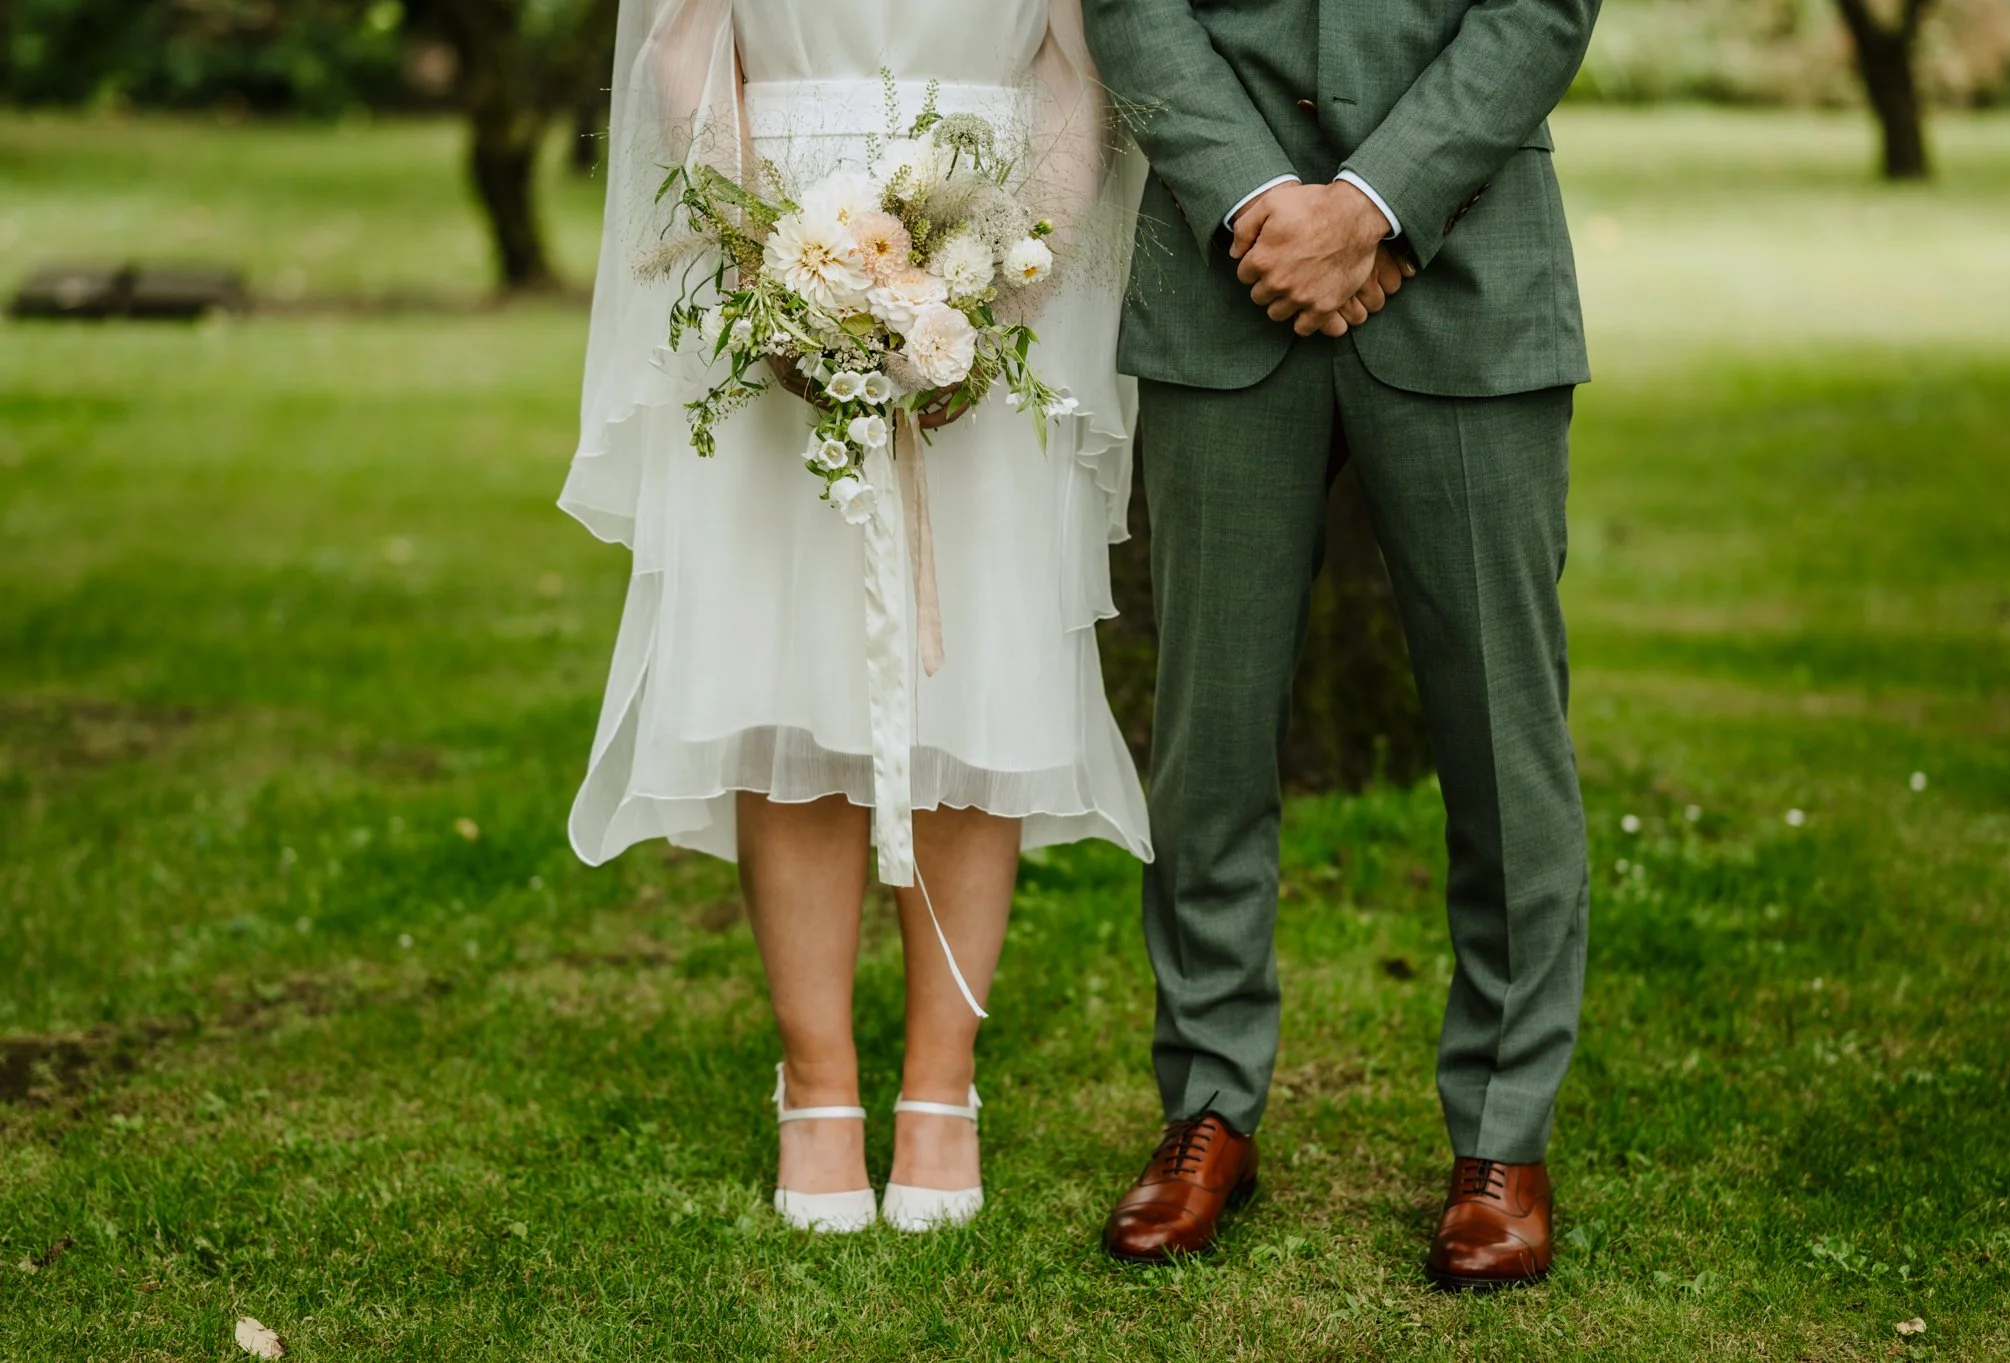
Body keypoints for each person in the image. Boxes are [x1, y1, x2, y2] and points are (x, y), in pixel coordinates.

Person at [562, 0, 1149, 1234]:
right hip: (777, 268)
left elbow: (1073, 75)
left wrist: (1006, 291)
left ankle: (942, 1086)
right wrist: (765, 273)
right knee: (786, 680)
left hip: (996, 280)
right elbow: (688, 47)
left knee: (977, 677)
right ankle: (816, 1082)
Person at [1085, 0, 1599, 1290]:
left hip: (1471, 273)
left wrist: (1375, 205)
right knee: (1205, 738)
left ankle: (1502, 1135)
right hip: (1222, 277)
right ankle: (1207, 1108)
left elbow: (1539, 10)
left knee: (1503, 740)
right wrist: (1261, 203)